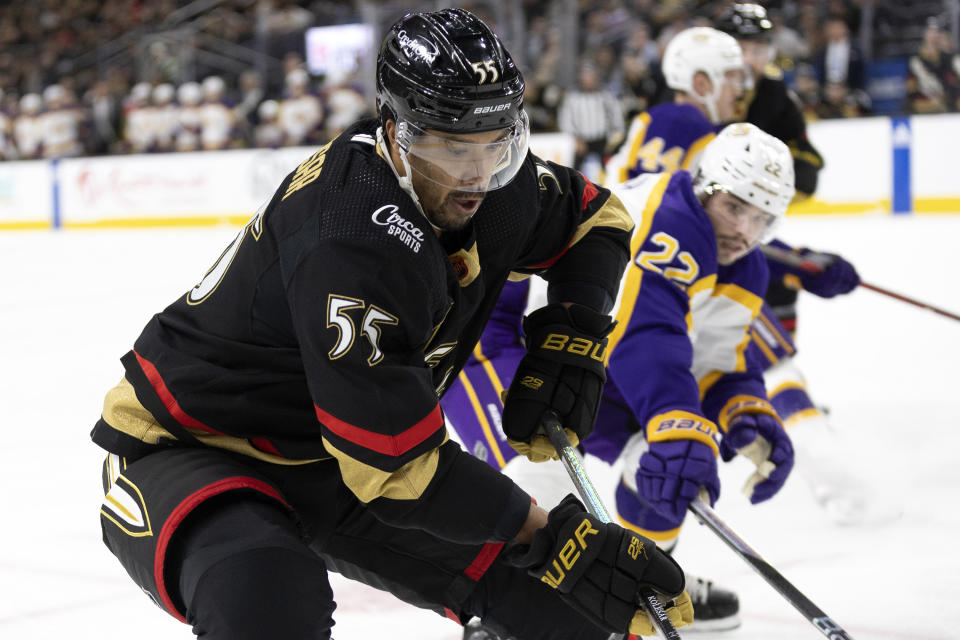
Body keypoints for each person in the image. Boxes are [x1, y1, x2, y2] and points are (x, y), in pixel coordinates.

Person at [92, 9, 693, 640]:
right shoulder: (351, 240)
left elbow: (598, 220)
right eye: (452, 146)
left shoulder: (501, 186)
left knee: (562, 611)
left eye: (496, 140)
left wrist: (572, 336)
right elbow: (398, 468)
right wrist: (552, 540)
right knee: (265, 596)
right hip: (195, 446)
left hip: (342, 453)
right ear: (394, 132)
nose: (476, 174)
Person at [445, 123, 798, 636]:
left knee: (665, 474)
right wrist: (676, 423)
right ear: (704, 185)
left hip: (591, 351)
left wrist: (745, 410)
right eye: (737, 207)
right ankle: (506, 615)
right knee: (539, 481)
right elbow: (643, 329)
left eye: (763, 218)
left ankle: (632, 581)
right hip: (505, 337)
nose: (745, 231)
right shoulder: (667, 218)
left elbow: (718, 359)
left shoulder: (746, 266)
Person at [605, 26, 746, 183]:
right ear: (701, 84)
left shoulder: (654, 117)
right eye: (730, 77)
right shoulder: (686, 123)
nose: (738, 92)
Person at [715, 3, 824, 200]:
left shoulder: (775, 92)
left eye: (757, 51)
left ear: (770, 53)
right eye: (739, 50)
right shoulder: (698, 89)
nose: (747, 60)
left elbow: (807, 171)